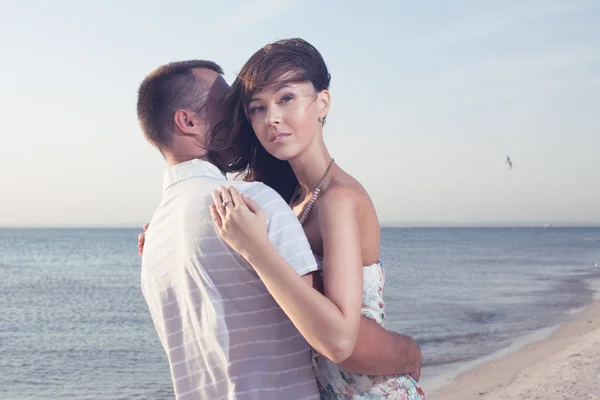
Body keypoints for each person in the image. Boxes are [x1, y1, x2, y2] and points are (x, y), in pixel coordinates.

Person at [137, 56, 422, 400]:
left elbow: (339, 336)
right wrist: (409, 352)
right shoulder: (257, 204)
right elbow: (333, 335)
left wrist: (409, 352)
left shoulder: (160, 240)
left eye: (286, 99)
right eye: (253, 107)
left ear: (323, 103)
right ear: (187, 121)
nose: (263, 119)